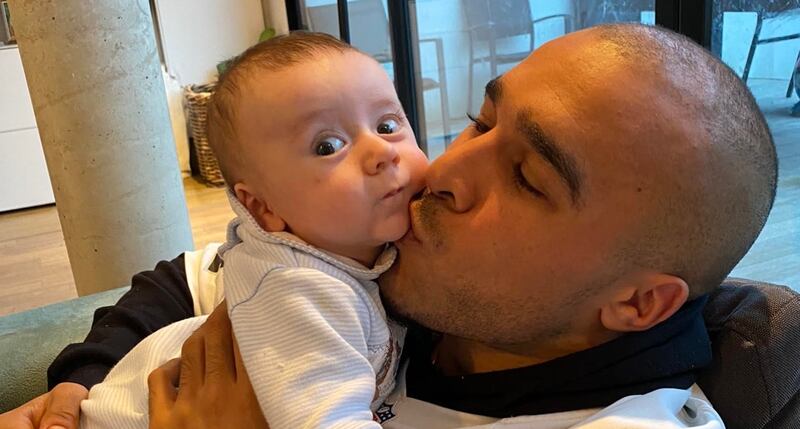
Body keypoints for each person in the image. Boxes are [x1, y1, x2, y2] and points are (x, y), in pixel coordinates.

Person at [1, 23, 777, 428]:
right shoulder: (405, 264)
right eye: (478, 122)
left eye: (528, 178)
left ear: (639, 303)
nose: (439, 173)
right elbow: (188, 274)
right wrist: (76, 386)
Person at [76, 32, 427, 429]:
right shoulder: (301, 290)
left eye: (387, 124)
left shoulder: (351, 253)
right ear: (264, 208)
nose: (382, 152)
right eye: (328, 146)